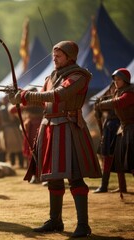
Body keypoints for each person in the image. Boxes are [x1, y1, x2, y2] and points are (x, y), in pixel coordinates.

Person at [8, 41, 102, 238]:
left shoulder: (79, 76)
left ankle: (83, 225)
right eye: (54, 55)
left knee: (75, 177)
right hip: (50, 128)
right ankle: (55, 220)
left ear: (70, 57)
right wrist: (19, 97)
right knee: (53, 178)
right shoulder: (52, 76)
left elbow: (59, 95)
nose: (54, 58)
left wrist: (25, 95)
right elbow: (44, 99)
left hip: (69, 129)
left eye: (59, 55)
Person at [95, 68, 133, 193]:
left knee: (131, 160)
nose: (116, 82)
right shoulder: (119, 91)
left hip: (132, 129)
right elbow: (114, 99)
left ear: (125, 80)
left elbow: (119, 102)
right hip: (124, 129)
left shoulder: (130, 92)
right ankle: (121, 187)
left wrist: (102, 104)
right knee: (120, 160)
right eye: (115, 80)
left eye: (119, 79)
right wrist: (100, 102)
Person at [93, 82, 125, 193]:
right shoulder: (110, 98)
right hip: (109, 129)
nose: (113, 89)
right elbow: (99, 112)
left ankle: (122, 186)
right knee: (107, 157)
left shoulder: (123, 96)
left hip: (119, 129)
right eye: (112, 87)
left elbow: (112, 105)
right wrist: (98, 106)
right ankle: (104, 185)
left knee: (122, 158)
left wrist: (101, 104)